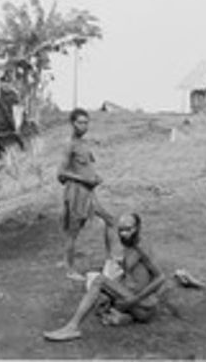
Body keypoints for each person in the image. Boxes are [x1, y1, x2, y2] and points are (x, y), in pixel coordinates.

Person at [43, 212, 165, 341]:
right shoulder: (128, 245)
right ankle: (123, 317)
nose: (123, 233)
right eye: (121, 230)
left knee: (99, 281)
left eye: (128, 229)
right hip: (128, 299)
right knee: (101, 296)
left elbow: (161, 277)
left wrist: (135, 300)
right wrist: (112, 291)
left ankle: (72, 328)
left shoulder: (141, 248)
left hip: (141, 306)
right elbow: (130, 275)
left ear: (137, 228)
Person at [58, 108, 115, 280]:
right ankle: (70, 269)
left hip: (89, 193)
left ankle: (111, 261)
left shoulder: (84, 144)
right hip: (77, 193)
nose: (84, 126)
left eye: (86, 122)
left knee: (111, 220)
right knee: (73, 232)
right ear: (72, 124)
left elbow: (86, 168)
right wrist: (84, 179)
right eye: (80, 122)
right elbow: (61, 173)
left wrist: (95, 177)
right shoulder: (70, 145)